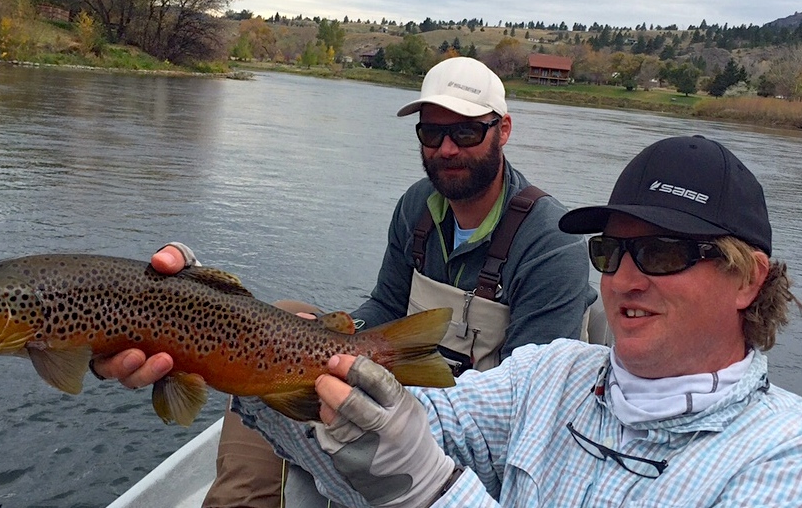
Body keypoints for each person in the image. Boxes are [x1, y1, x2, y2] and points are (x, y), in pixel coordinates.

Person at [93, 56, 598, 506]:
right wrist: (322, 334)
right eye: (430, 133)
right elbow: (384, 304)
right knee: (289, 313)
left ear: (503, 130)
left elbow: (529, 404)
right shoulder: (417, 206)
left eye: (466, 132)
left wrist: (381, 389)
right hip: (400, 373)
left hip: (466, 431)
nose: (446, 149)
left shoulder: (552, 243)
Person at [228, 135, 802, 507]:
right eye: (611, 252)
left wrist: (432, 489)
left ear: (748, 280)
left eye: (663, 252)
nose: (624, 279)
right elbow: (422, 421)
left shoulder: (782, 460)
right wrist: (222, 344)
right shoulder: (550, 375)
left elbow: (419, 468)